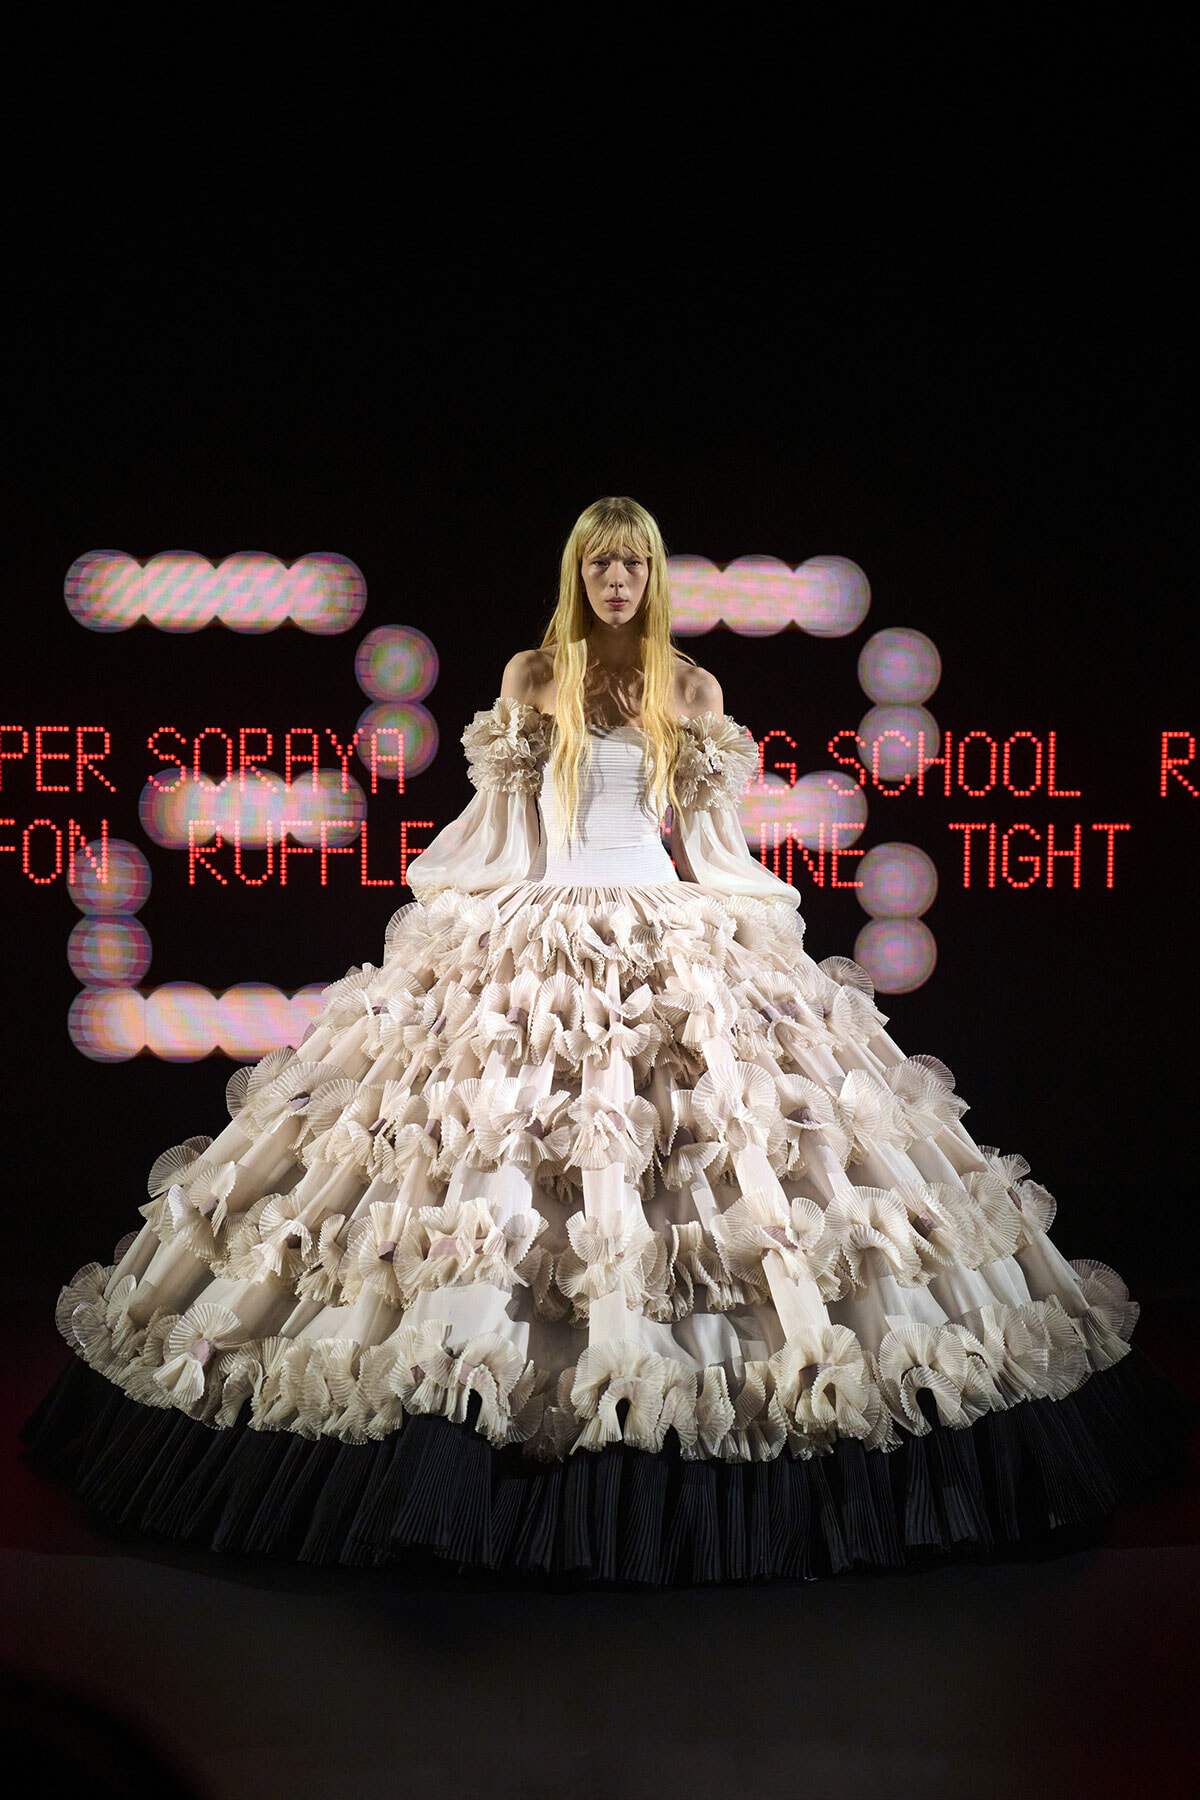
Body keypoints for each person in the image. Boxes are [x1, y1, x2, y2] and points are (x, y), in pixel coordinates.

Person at [21, 497, 1190, 1585]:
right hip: (543, 915)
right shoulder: (537, 675)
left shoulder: (691, 689)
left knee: (703, 1165)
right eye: (600, 563)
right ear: (579, 576)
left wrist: (742, 932)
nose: (618, 579)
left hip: (661, 912)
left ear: (655, 575)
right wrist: (472, 921)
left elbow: (717, 842)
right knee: (491, 1159)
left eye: (633, 562)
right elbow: (504, 826)